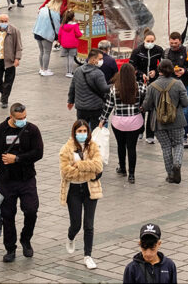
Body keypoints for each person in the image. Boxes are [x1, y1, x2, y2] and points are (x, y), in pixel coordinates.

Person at [0, 103, 44, 263]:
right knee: (7, 215)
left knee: (31, 210)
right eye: (19, 119)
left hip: (27, 178)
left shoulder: (32, 130)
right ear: (11, 117)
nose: (23, 120)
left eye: (25, 117)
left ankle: (26, 239)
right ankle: (10, 248)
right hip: (6, 180)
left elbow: (38, 153)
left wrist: (17, 159)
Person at [59, 119, 103, 270]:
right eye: (80, 131)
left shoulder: (93, 146)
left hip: (90, 189)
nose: (82, 134)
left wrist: (78, 164)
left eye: (85, 131)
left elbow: (98, 165)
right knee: (76, 223)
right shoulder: (66, 149)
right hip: (74, 191)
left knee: (89, 224)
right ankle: (70, 237)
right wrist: (88, 170)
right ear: (74, 132)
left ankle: (88, 255)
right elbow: (66, 172)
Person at [142, 59, 188, 183]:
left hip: (159, 123)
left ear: (159, 71)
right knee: (178, 143)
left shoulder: (152, 87)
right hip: (177, 121)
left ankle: (170, 175)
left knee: (166, 147)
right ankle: (177, 164)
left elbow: (146, 106)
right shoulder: (178, 84)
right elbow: (185, 103)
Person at [100, 62, 145, 183]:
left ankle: (122, 168)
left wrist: (102, 120)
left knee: (121, 145)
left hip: (118, 122)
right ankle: (132, 174)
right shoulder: (140, 87)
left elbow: (108, 107)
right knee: (132, 147)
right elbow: (145, 103)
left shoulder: (114, 88)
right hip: (135, 121)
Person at [68, 46, 110, 123]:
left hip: (81, 108)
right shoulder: (98, 73)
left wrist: (70, 101)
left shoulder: (78, 70)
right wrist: (115, 85)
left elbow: (72, 87)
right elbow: (104, 88)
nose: (102, 61)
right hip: (95, 108)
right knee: (95, 132)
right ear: (94, 60)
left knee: (83, 130)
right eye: (100, 59)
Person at [33, 0, 62, 77]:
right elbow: (57, 26)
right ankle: (45, 70)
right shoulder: (55, 13)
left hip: (38, 32)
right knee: (47, 52)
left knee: (41, 51)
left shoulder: (43, 9)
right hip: (47, 34)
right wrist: (58, 37)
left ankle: (41, 68)